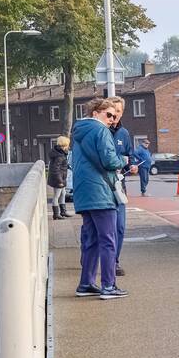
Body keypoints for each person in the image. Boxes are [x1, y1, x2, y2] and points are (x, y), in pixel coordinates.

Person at [70, 98, 128, 300]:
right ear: (96, 113)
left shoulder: (78, 131)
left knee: (91, 240)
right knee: (108, 240)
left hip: (83, 193)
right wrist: (123, 160)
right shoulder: (100, 130)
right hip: (101, 192)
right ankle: (109, 286)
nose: (112, 119)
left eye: (114, 116)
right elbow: (110, 160)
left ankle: (85, 284)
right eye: (109, 115)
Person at [105, 96, 137, 276]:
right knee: (96, 227)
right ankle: (89, 255)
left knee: (119, 226)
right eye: (112, 110)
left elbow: (128, 155)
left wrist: (131, 166)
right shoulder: (100, 131)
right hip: (101, 186)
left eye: (118, 111)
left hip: (118, 186)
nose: (115, 114)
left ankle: (114, 261)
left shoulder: (124, 133)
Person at [47, 136, 71, 219]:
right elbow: (55, 169)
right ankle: (56, 214)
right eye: (67, 145)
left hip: (61, 178)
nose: (68, 147)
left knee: (63, 193)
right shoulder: (59, 156)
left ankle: (63, 211)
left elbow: (60, 166)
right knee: (56, 196)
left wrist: (67, 166)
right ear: (64, 145)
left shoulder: (60, 153)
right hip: (58, 179)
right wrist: (60, 181)